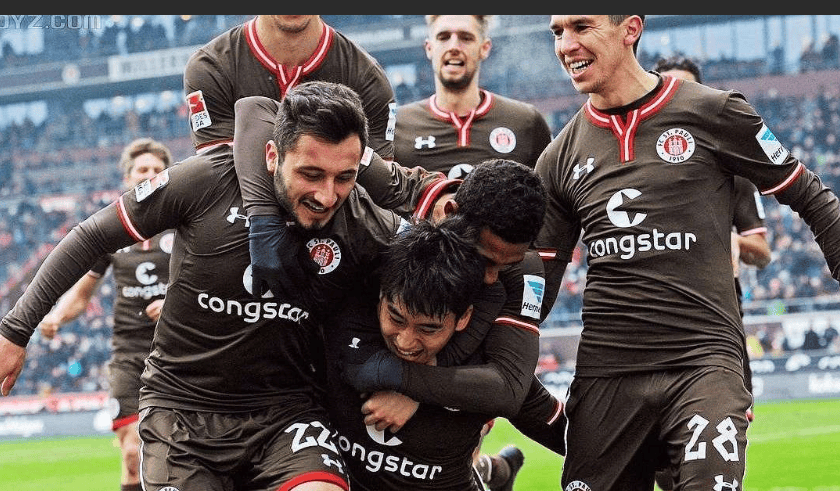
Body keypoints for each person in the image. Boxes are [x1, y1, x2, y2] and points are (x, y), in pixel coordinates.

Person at [0, 81, 407, 491]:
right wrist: (15, 330)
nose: (327, 195)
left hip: (287, 414)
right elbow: (91, 236)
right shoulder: (206, 180)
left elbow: (439, 277)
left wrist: (413, 387)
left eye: (344, 177)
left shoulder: (361, 218)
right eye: (310, 174)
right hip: (181, 411)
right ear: (272, 155)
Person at [539, 15, 840, 490]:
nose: (566, 44)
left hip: (703, 361)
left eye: (581, 26)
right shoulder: (558, 157)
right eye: (558, 32)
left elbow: (808, 194)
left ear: (630, 29)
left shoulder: (715, 111)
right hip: (607, 372)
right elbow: (539, 279)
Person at [232, 95, 566, 491]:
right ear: (450, 215)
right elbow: (257, 110)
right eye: (484, 260)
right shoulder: (396, 195)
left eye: (504, 265)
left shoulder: (519, 270)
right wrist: (263, 221)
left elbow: (509, 387)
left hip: (447, 372)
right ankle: (492, 473)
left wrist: (411, 384)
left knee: (547, 415)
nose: (491, 278)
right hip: (349, 355)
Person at [183, 14, 397, 297]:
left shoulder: (366, 76)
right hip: (238, 255)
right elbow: (222, 177)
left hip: (334, 267)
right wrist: (265, 222)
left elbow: (373, 188)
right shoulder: (211, 66)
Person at [651, 55, 773, 490]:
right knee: (660, 458)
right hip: (654, 323)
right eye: (667, 87)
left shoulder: (732, 169)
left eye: (685, 89)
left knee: (718, 451)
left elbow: (762, 251)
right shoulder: (638, 167)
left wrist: (729, 239)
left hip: (718, 323)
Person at [324, 216, 503, 490]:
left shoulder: (489, 363)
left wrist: (417, 389)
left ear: (464, 318)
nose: (405, 342)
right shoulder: (346, 314)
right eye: (396, 318)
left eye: (428, 328)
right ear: (380, 297)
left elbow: (523, 401)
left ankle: (494, 468)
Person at [36, 137, 173, 491]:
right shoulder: (114, 230)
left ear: (167, 176)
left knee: (173, 457)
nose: (149, 174)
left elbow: (211, 281)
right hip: (128, 354)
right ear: (128, 178)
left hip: (178, 351)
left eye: (157, 169)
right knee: (132, 456)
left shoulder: (184, 226)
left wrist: (175, 302)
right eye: (142, 169)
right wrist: (56, 318)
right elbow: (82, 295)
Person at [394, 15, 552, 180]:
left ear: (484, 48)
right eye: (444, 37)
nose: (454, 46)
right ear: (429, 48)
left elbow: (549, 192)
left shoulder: (527, 121)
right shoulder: (398, 125)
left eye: (466, 38)